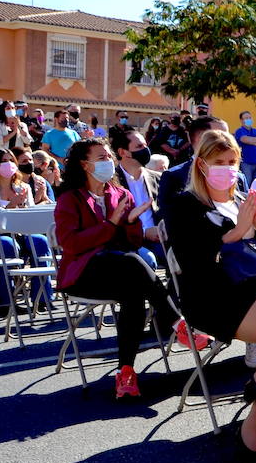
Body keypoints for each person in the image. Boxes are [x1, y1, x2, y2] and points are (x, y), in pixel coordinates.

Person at [166, 131, 256, 454]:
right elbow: (194, 263)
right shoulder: (185, 204)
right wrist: (237, 232)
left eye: (232, 162)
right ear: (201, 165)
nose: (227, 168)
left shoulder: (243, 200)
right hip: (216, 297)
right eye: (219, 162)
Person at [55, 139, 180, 398]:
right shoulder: (70, 198)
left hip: (118, 269)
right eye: (101, 157)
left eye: (109, 156)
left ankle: (126, 372)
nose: (108, 162)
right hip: (84, 273)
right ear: (84, 164)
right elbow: (71, 244)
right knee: (135, 262)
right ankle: (176, 320)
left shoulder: (122, 194)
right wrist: (111, 224)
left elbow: (131, 243)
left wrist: (132, 223)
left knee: (133, 293)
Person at [0, 147, 55, 310]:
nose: (8, 164)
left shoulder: (23, 187)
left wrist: (22, 208)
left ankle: (43, 297)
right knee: (7, 245)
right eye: (3, 161)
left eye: (10, 160)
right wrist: (11, 206)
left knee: (41, 242)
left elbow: (30, 218)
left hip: (19, 233)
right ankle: (5, 301)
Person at [155, 115, 236, 222]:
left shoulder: (237, 176)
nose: (226, 140)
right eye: (219, 135)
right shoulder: (174, 176)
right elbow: (167, 218)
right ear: (201, 139)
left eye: (227, 135)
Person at [111, 129, 164, 266]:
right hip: (128, 242)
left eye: (145, 145)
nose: (145, 150)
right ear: (123, 152)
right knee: (147, 260)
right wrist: (145, 232)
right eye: (139, 147)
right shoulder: (110, 182)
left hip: (161, 240)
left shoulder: (160, 179)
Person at [234, 111, 256, 184]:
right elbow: (244, 139)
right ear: (241, 120)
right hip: (246, 163)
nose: (249, 120)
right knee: (247, 183)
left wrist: (251, 141)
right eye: (246, 118)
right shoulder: (239, 131)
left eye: (250, 118)